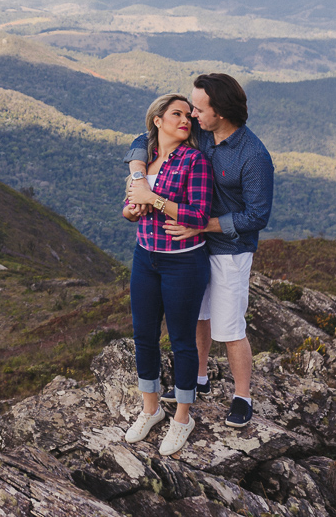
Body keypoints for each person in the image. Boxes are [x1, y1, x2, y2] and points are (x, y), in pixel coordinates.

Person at [126, 73, 274, 429]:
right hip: (190, 247)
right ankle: (201, 378)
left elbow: (258, 215)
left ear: (220, 111)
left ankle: (242, 396)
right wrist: (138, 176)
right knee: (198, 317)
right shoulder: (202, 134)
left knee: (229, 325)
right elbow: (144, 138)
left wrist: (202, 224)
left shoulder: (253, 156)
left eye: (199, 108)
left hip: (229, 249)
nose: (192, 113)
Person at [121, 93, 213, 456]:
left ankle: (182, 418)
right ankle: (151, 409)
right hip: (145, 257)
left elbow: (198, 216)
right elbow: (129, 208)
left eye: (188, 115)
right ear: (157, 120)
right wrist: (132, 209)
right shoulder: (145, 162)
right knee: (143, 335)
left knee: (181, 341)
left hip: (183, 263)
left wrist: (153, 198)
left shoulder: (195, 161)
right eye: (176, 113)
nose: (185, 119)